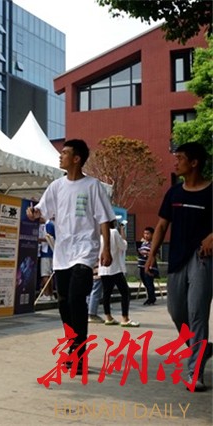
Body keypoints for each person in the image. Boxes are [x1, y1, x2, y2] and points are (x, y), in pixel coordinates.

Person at [27, 139, 116, 369]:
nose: (61, 156)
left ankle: (79, 354)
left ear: (76, 159)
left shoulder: (93, 186)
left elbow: (104, 219)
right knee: (64, 303)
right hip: (62, 254)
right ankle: (73, 345)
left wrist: (106, 249)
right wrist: (34, 213)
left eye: (65, 153)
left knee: (77, 299)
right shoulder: (56, 186)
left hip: (85, 251)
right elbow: (42, 210)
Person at [145, 142, 212, 392]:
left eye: (180, 158)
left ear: (194, 163)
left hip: (202, 259)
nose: (176, 162)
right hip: (176, 260)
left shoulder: (211, 191)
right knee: (177, 313)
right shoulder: (174, 193)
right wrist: (152, 255)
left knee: (197, 313)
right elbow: (162, 226)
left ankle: (194, 373)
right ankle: (203, 348)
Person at [100, 220, 139, 327]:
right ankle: (125, 318)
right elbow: (123, 246)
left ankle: (108, 317)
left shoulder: (99, 234)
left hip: (103, 268)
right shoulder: (113, 232)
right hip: (115, 268)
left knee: (106, 293)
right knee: (125, 292)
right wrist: (122, 230)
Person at [137, 227, 159, 305]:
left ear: (152, 234)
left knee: (149, 282)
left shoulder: (153, 244)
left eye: (148, 234)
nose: (146, 235)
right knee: (145, 282)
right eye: (145, 233)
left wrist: (146, 253)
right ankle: (151, 297)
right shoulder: (143, 243)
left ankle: (151, 299)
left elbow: (154, 254)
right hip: (141, 266)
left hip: (149, 266)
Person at [38, 217, 56, 301]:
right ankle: (51, 294)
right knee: (49, 275)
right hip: (50, 252)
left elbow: (49, 238)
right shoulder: (50, 225)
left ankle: (46, 294)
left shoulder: (48, 225)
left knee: (45, 274)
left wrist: (38, 239)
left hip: (47, 252)